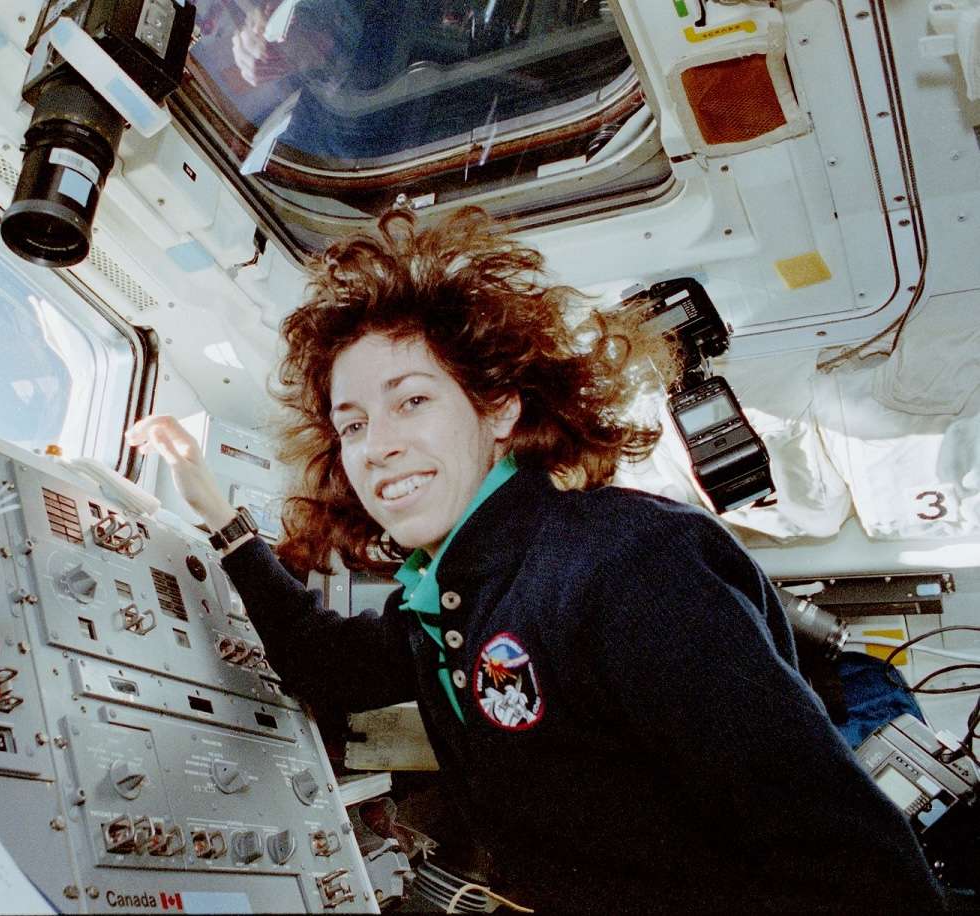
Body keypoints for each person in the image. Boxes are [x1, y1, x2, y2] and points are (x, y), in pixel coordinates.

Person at [126, 207, 945, 911]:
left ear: (500, 409)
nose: (379, 447)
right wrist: (223, 524)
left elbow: (858, 875)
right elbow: (328, 665)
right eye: (354, 424)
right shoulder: (445, 601)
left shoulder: (627, 566)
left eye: (413, 400)